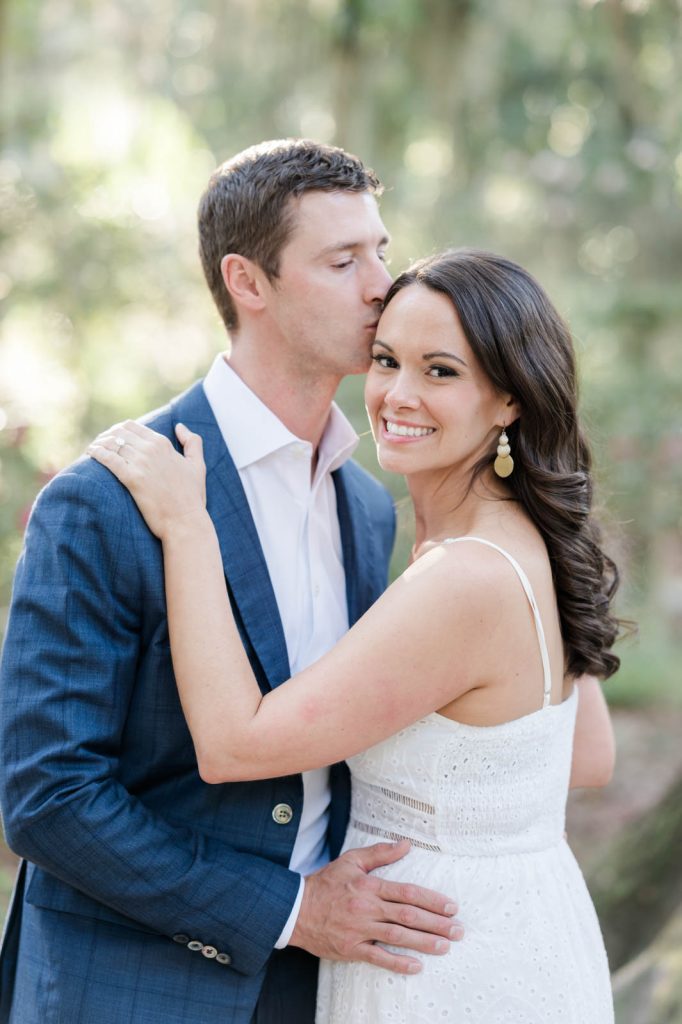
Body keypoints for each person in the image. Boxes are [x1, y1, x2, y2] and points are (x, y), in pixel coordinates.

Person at [88, 247, 620, 1023]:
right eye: (384, 360)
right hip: (521, 933)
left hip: (440, 963)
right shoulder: (520, 539)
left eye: (441, 371)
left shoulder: (464, 578)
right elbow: (588, 755)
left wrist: (187, 526)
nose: (397, 395)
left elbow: (235, 744)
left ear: (509, 398)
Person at [0, 140, 464, 1024]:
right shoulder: (106, 499)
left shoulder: (367, 506)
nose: (382, 286)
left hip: (325, 988)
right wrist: (290, 912)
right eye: (343, 260)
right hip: (128, 987)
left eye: (382, 251)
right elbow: (49, 797)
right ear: (248, 283)